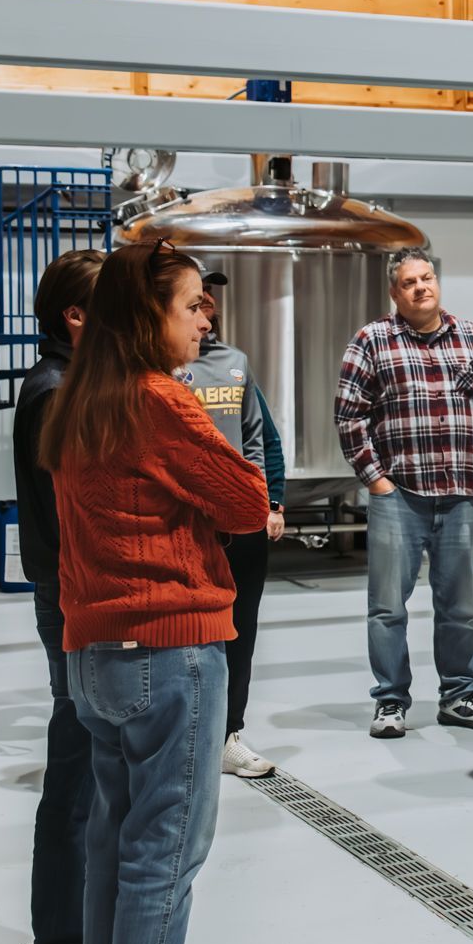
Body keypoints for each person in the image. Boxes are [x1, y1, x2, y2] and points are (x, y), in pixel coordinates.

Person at [39, 240, 269, 944]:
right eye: (189, 306)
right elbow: (246, 502)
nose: (204, 320)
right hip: (169, 647)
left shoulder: (79, 398)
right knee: (166, 846)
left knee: (113, 841)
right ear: (147, 317)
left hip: (95, 650)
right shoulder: (159, 399)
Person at [335, 247, 473, 740]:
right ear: (395, 292)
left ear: (437, 282)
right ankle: (391, 700)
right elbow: (349, 415)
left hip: (463, 493)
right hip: (400, 496)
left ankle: (459, 695)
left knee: (459, 606)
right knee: (388, 607)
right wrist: (376, 480)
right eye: (409, 282)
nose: (421, 288)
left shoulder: (472, 336)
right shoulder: (372, 340)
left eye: (427, 278)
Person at [10, 245, 105, 944]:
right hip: (76, 598)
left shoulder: (70, 381)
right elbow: (78, 514)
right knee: (75, 770)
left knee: (90, 769)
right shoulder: (56, 391)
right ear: (76, 316)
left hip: (78, 593)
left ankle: (73, 942)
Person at [184, 269, 288, 780]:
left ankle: (228, 734)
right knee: (191, 637)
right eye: (193, 302)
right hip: (190, 526)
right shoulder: (159, 371)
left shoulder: (235, 363)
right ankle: (187, 736)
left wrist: (267, 503)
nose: (205, 312)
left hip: (241, 524)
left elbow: (257, 439)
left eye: (207, 301)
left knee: (239, 630)